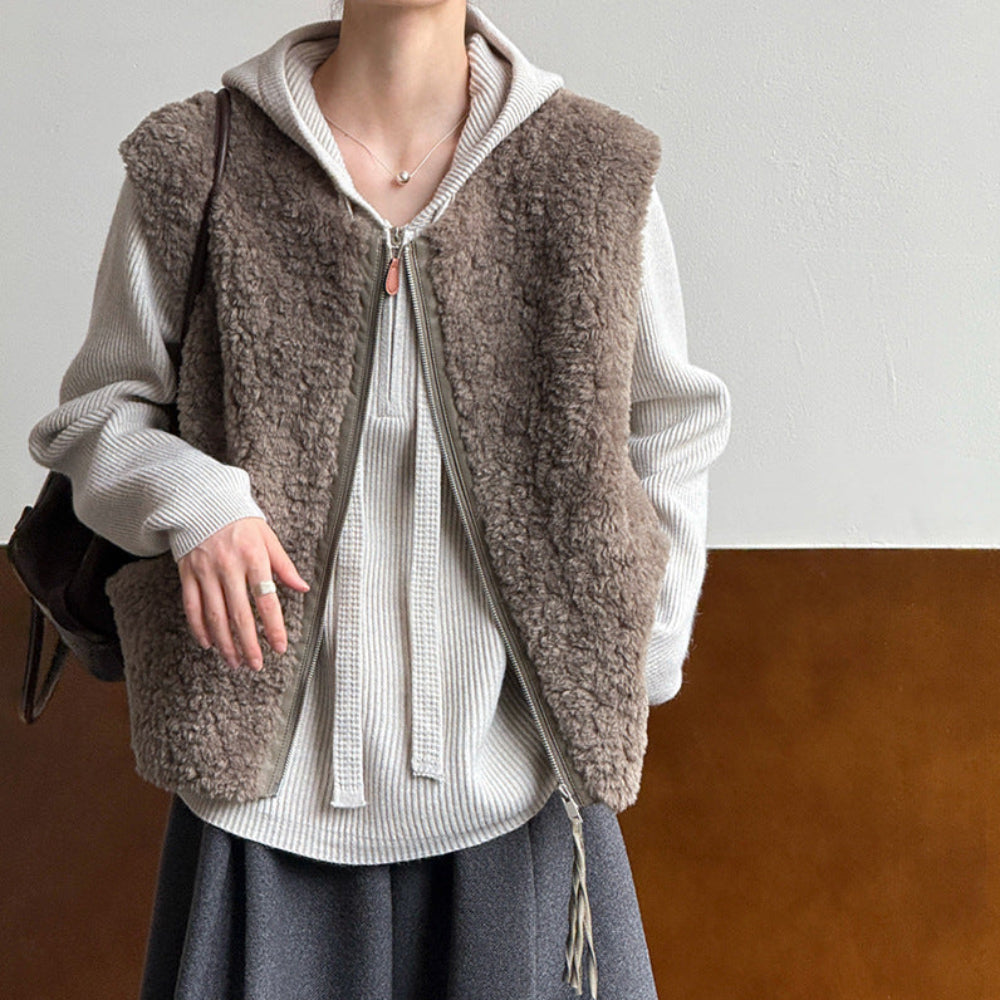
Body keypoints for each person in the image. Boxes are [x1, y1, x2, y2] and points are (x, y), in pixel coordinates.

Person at [27, 1, 732, 997]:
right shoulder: (196, 161)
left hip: (519, 795)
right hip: (260, 806)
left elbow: (672, 423)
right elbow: (96, 418)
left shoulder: (594, 169)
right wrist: (196, 501)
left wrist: (638, 650)